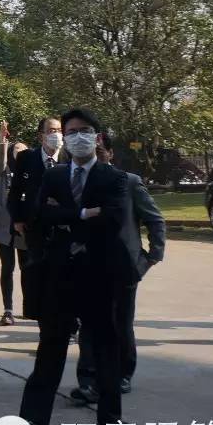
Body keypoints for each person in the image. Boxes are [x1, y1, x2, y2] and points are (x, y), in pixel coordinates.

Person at [18, 107, 132, 425]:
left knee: (105, 348)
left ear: (97, 137)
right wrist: (82, 213)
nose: (76, 137)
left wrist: (65, 215)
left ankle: (109, 423)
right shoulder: (54, 176)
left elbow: (112, 220)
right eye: (70, 132)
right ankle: (33, 422)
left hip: (101, 274)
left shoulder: (115, 178)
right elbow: (40, 216)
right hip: (60, 273)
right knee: (50, 348)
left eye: (84, 131)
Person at [72, 130, 165, 401]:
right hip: (87, 264)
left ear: (110, 154)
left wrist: (150, 257)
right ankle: (88, 380)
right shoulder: (77, 183)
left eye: (101, 152)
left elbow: (155, 220)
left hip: (124, 266)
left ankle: (123, 373)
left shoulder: (130, 182)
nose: (96, 157)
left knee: (120, 323)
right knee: (88, 324)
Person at [7, 116, 65, 320]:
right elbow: (15, 192)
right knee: (36, 270)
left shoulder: (69, 157)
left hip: (64, 225)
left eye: (59, 130)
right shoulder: (27, 158)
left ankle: (65, 315)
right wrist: (17, 219)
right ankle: (38, 315)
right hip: (34, 225)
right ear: (41, 136)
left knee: (63, 272)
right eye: (51, 130)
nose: (56, 134)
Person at [0, 122, 28, 325]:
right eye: (16, 149)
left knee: (27, 267)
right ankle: (8, 310)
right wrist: (2, 140)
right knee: (7, 267)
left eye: (23, 149)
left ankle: (29, 307)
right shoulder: (4, 173)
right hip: (5, 227)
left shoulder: (32, 174)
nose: (19, 151)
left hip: (25, 227)